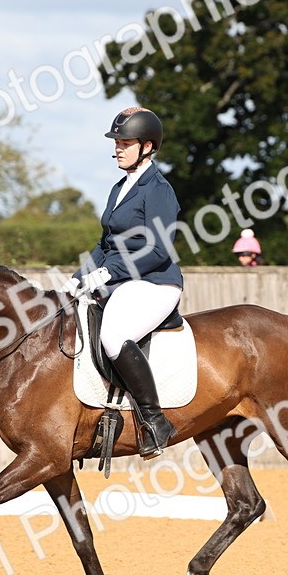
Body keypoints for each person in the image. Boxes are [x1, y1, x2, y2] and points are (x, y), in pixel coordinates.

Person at [65, 107, 181, 457]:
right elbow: (105, 244)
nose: (117, 148)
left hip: (156, 282)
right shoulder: (120, 187)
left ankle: (154, 420)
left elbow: (159, 248)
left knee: (113, 336)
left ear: (147, 146)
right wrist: (81, 275)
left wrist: (111, 272)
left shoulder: (158, 189)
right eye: (116, 142)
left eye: (125, 142)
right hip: (122, 282)